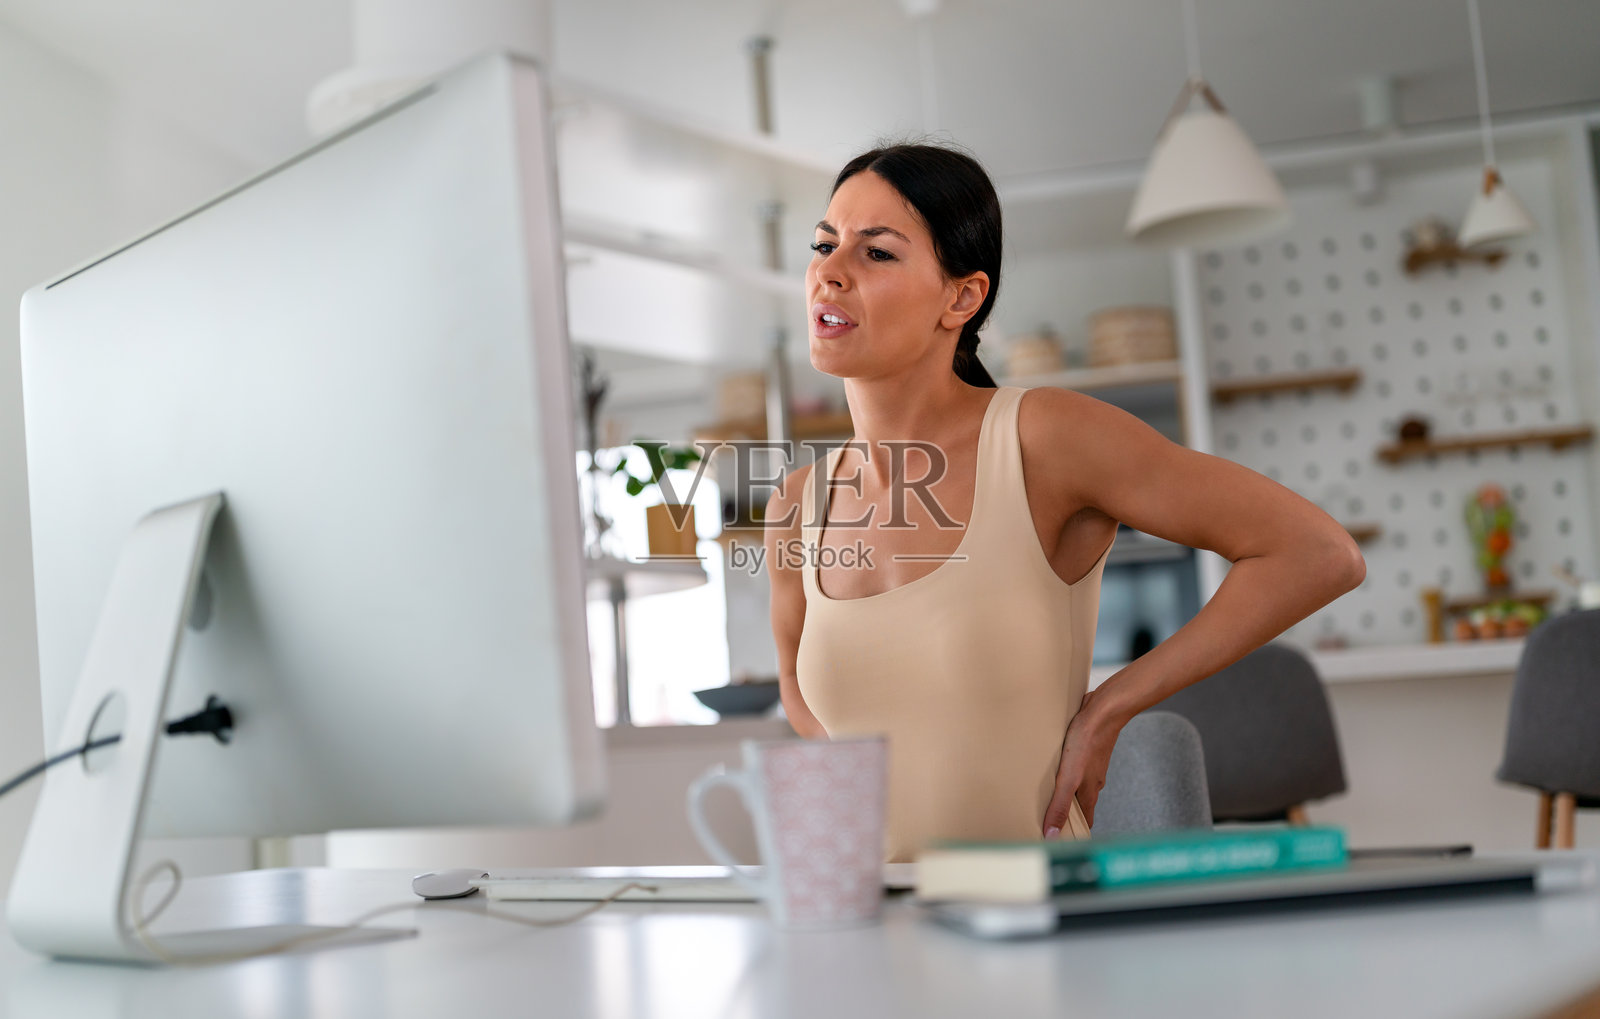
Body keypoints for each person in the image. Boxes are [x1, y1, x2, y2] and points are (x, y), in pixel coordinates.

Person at [762, 141, 1364, 863]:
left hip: (1041, 928)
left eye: (877, 253)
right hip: (874, 927)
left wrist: (1112, 706)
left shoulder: (1042, 438)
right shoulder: (798, 501)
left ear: (962, 296)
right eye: (824, 244)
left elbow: (1317, 553)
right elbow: (798, 689)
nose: (829, 272)